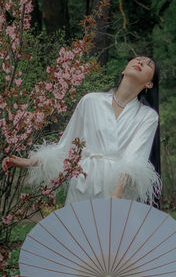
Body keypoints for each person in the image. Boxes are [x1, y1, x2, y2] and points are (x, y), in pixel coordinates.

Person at [2, 56, 162, 205]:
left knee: (111, 234)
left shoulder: (147, 116)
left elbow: (134, 159)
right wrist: (29, 161)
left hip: (117, 187)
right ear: (123, 71)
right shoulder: (91, 101)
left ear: (149, 84)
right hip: (84, 180)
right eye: (137, 59)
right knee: (78, 231)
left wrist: (117, 193)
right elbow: (66, 145)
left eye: (148, 64)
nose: (141, 62)